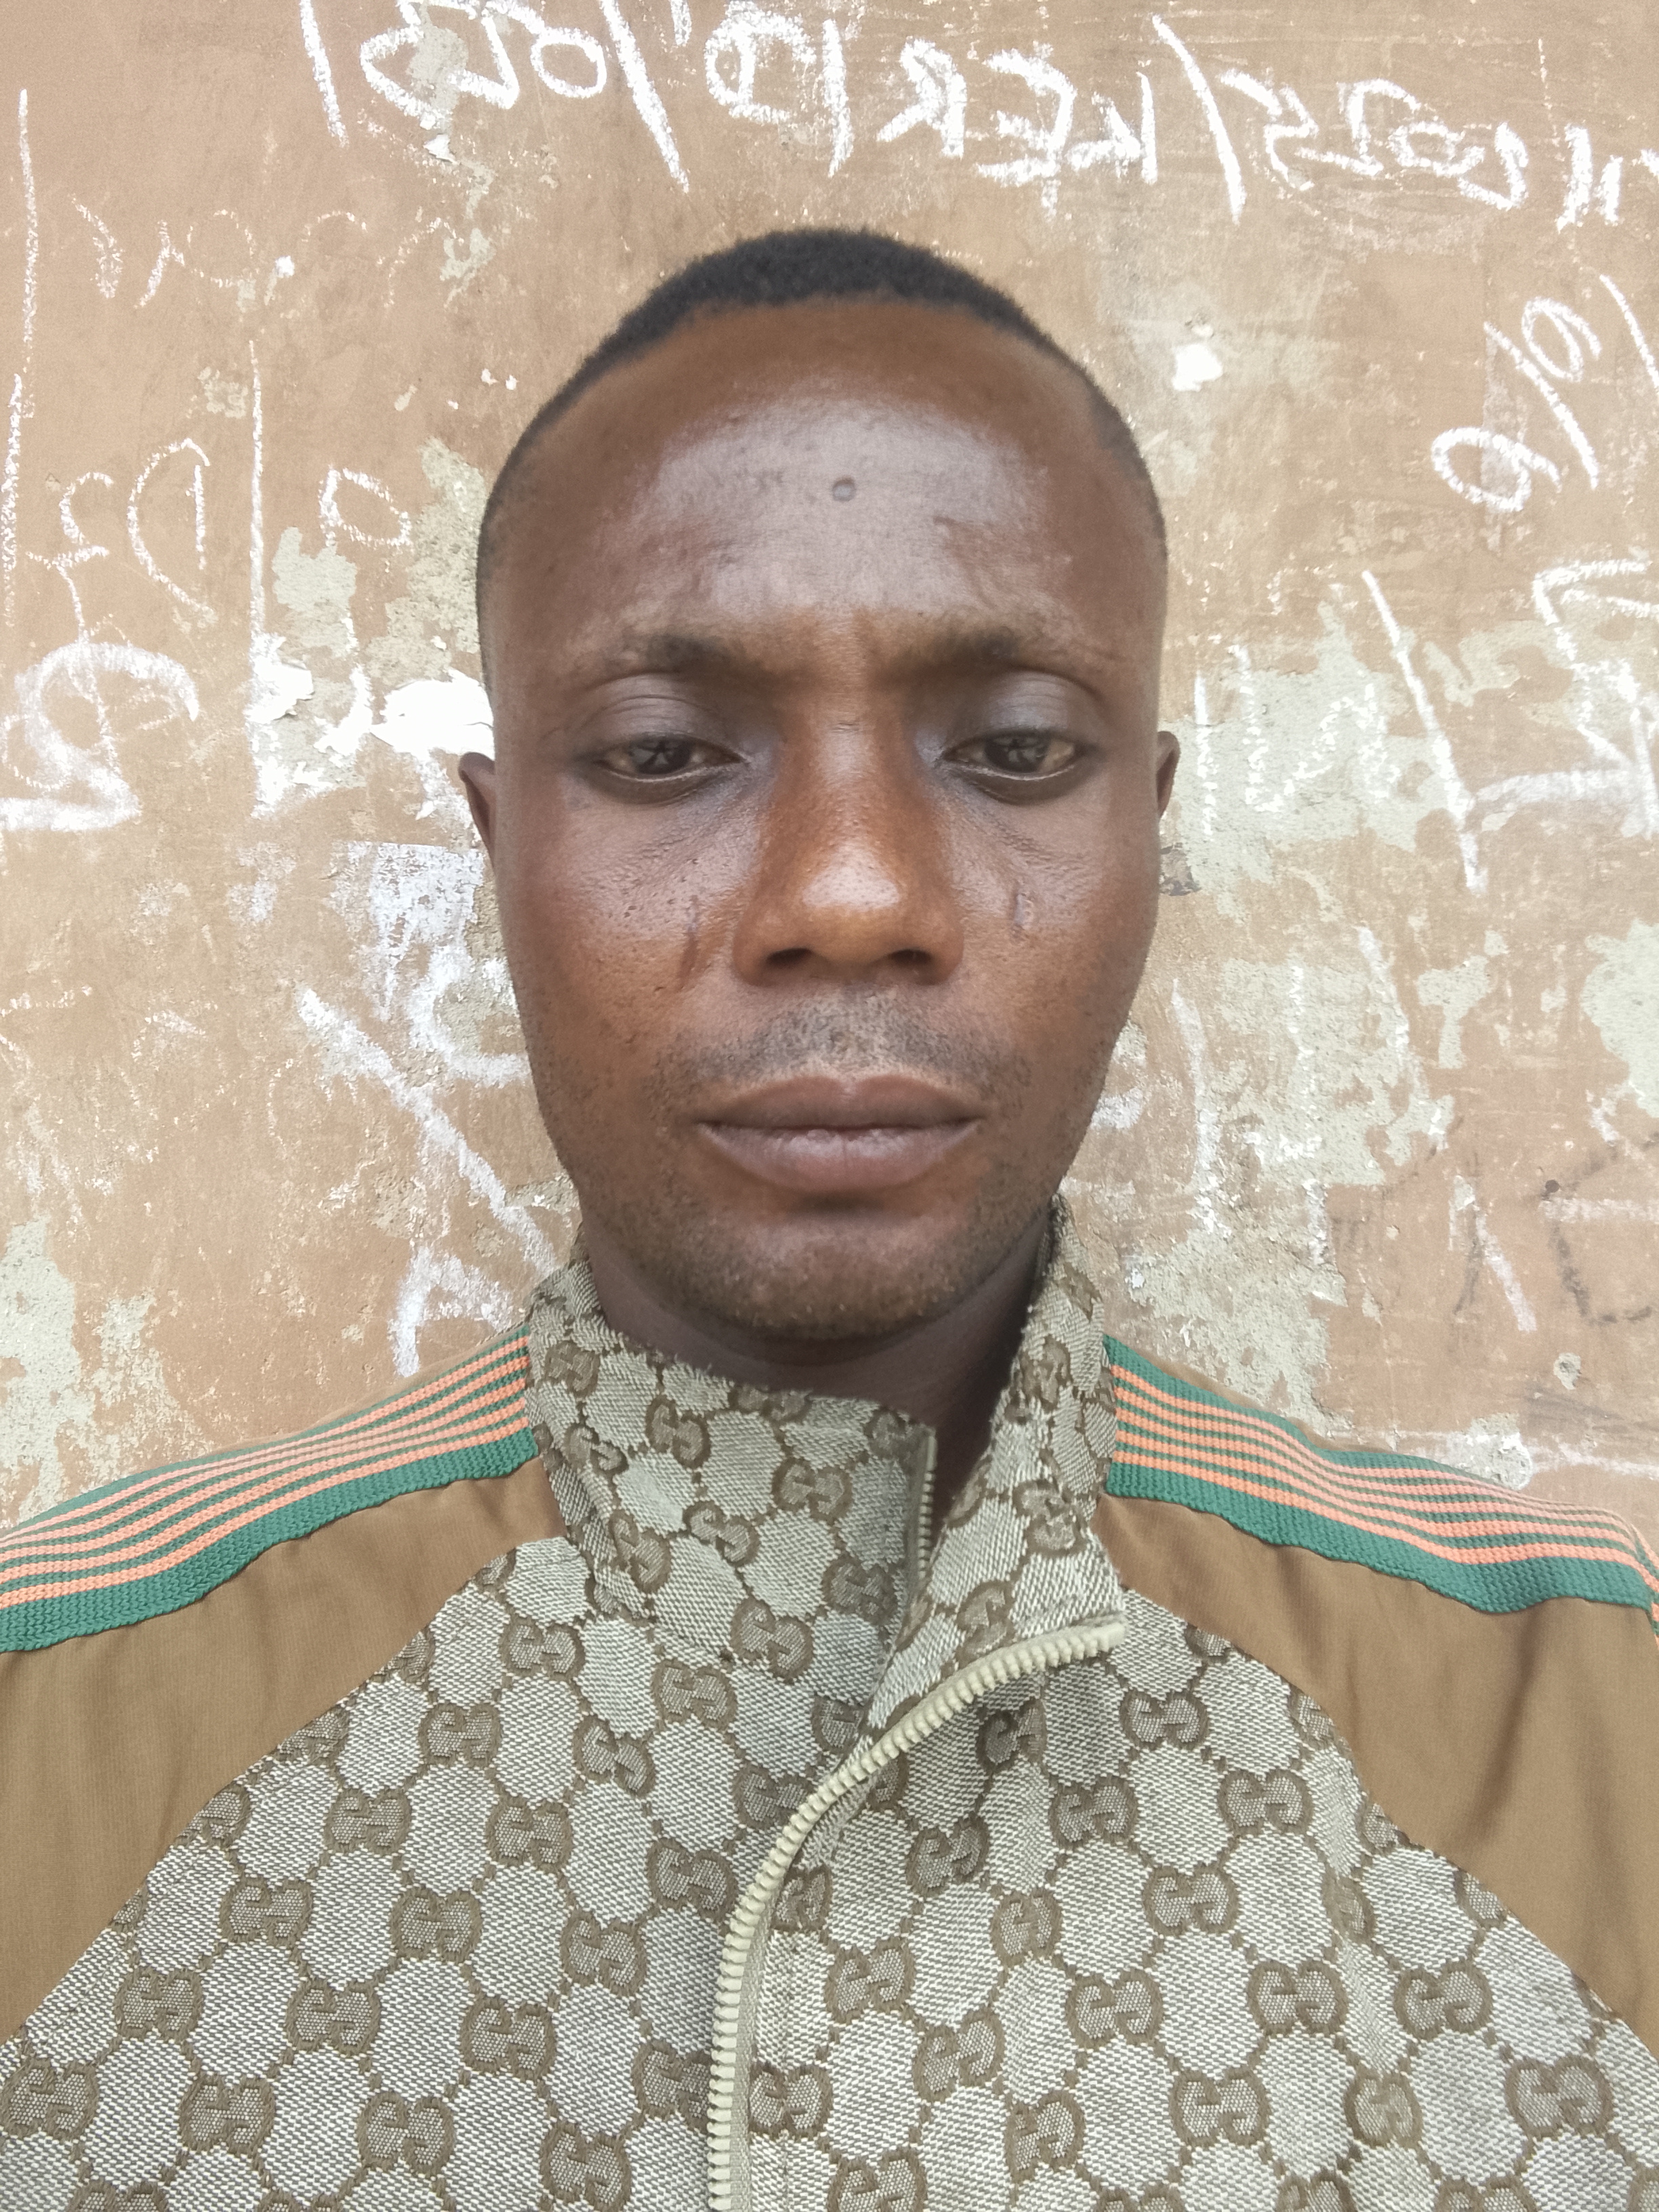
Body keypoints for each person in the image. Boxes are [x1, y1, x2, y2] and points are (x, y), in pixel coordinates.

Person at [1, 228, 1656, 2212]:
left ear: (1147, 827)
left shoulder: (1596, 1735)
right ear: (501, 846)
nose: (852, 891)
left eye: (1016, 751)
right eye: (663, 755)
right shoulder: (61, 1731)